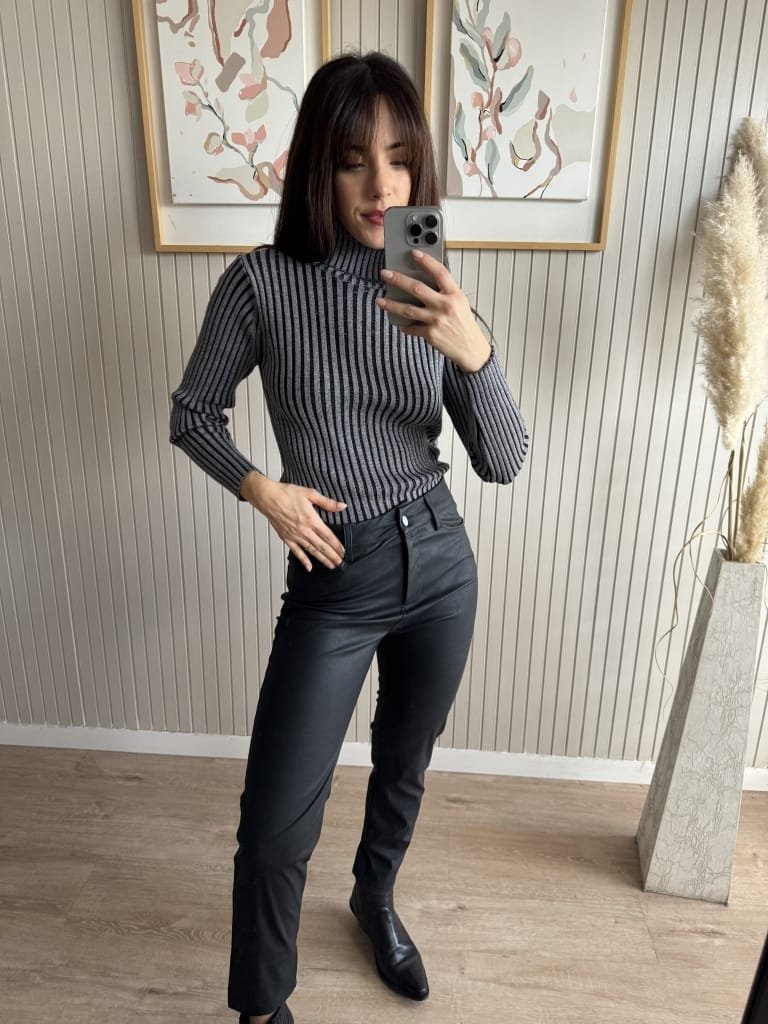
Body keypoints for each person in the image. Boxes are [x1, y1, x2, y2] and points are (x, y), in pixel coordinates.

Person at [170, 51, 528, 1024]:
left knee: (404, 764)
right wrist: (265, 491)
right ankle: (261, 1005)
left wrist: (475, 350)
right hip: (337, 572)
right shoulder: (262, 283)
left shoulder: (426, 282)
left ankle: (376, 899)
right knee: (276, 820)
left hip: (442, 561)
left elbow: (503, 459)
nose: (382, 185)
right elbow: (193, 412)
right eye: (354, 159)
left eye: (401, 159)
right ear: (317, 168)